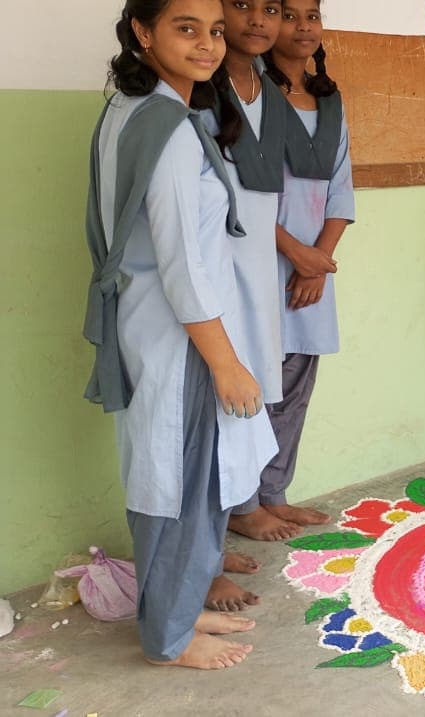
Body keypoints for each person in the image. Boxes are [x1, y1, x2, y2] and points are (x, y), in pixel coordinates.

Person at [84, 0, 276, 668]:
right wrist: (226, 362)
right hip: (183, 335)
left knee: (173, 473)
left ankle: (179, 607)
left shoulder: (131, 109)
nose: (207, 44)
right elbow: (182, 263)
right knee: (181, 481)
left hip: (155, 323)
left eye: (214, 31)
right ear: (143, 31)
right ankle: (168, 637)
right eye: (185, 28)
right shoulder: (165, 126)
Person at [230, 0, 352, 543]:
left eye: (312, 16)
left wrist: (318, 261)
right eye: (290, 15)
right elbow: (244, 192)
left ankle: (274, 494)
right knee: (254, 383)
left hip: (311, 270)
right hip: (262, 259)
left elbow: (340, 188)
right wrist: (296, 254)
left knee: (296, 385)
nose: (303, 27)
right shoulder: (250, 93)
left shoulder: (330, 100)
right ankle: (243, 504)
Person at [203, 0, 287, 611]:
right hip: (215, 268)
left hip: (257, 264)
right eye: (242, 5)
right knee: (209, 410)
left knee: (244, 403)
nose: (258, 19)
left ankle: (232, 517)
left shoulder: (269, 92)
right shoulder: (199, 91)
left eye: (270, 9)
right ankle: (202, 557)